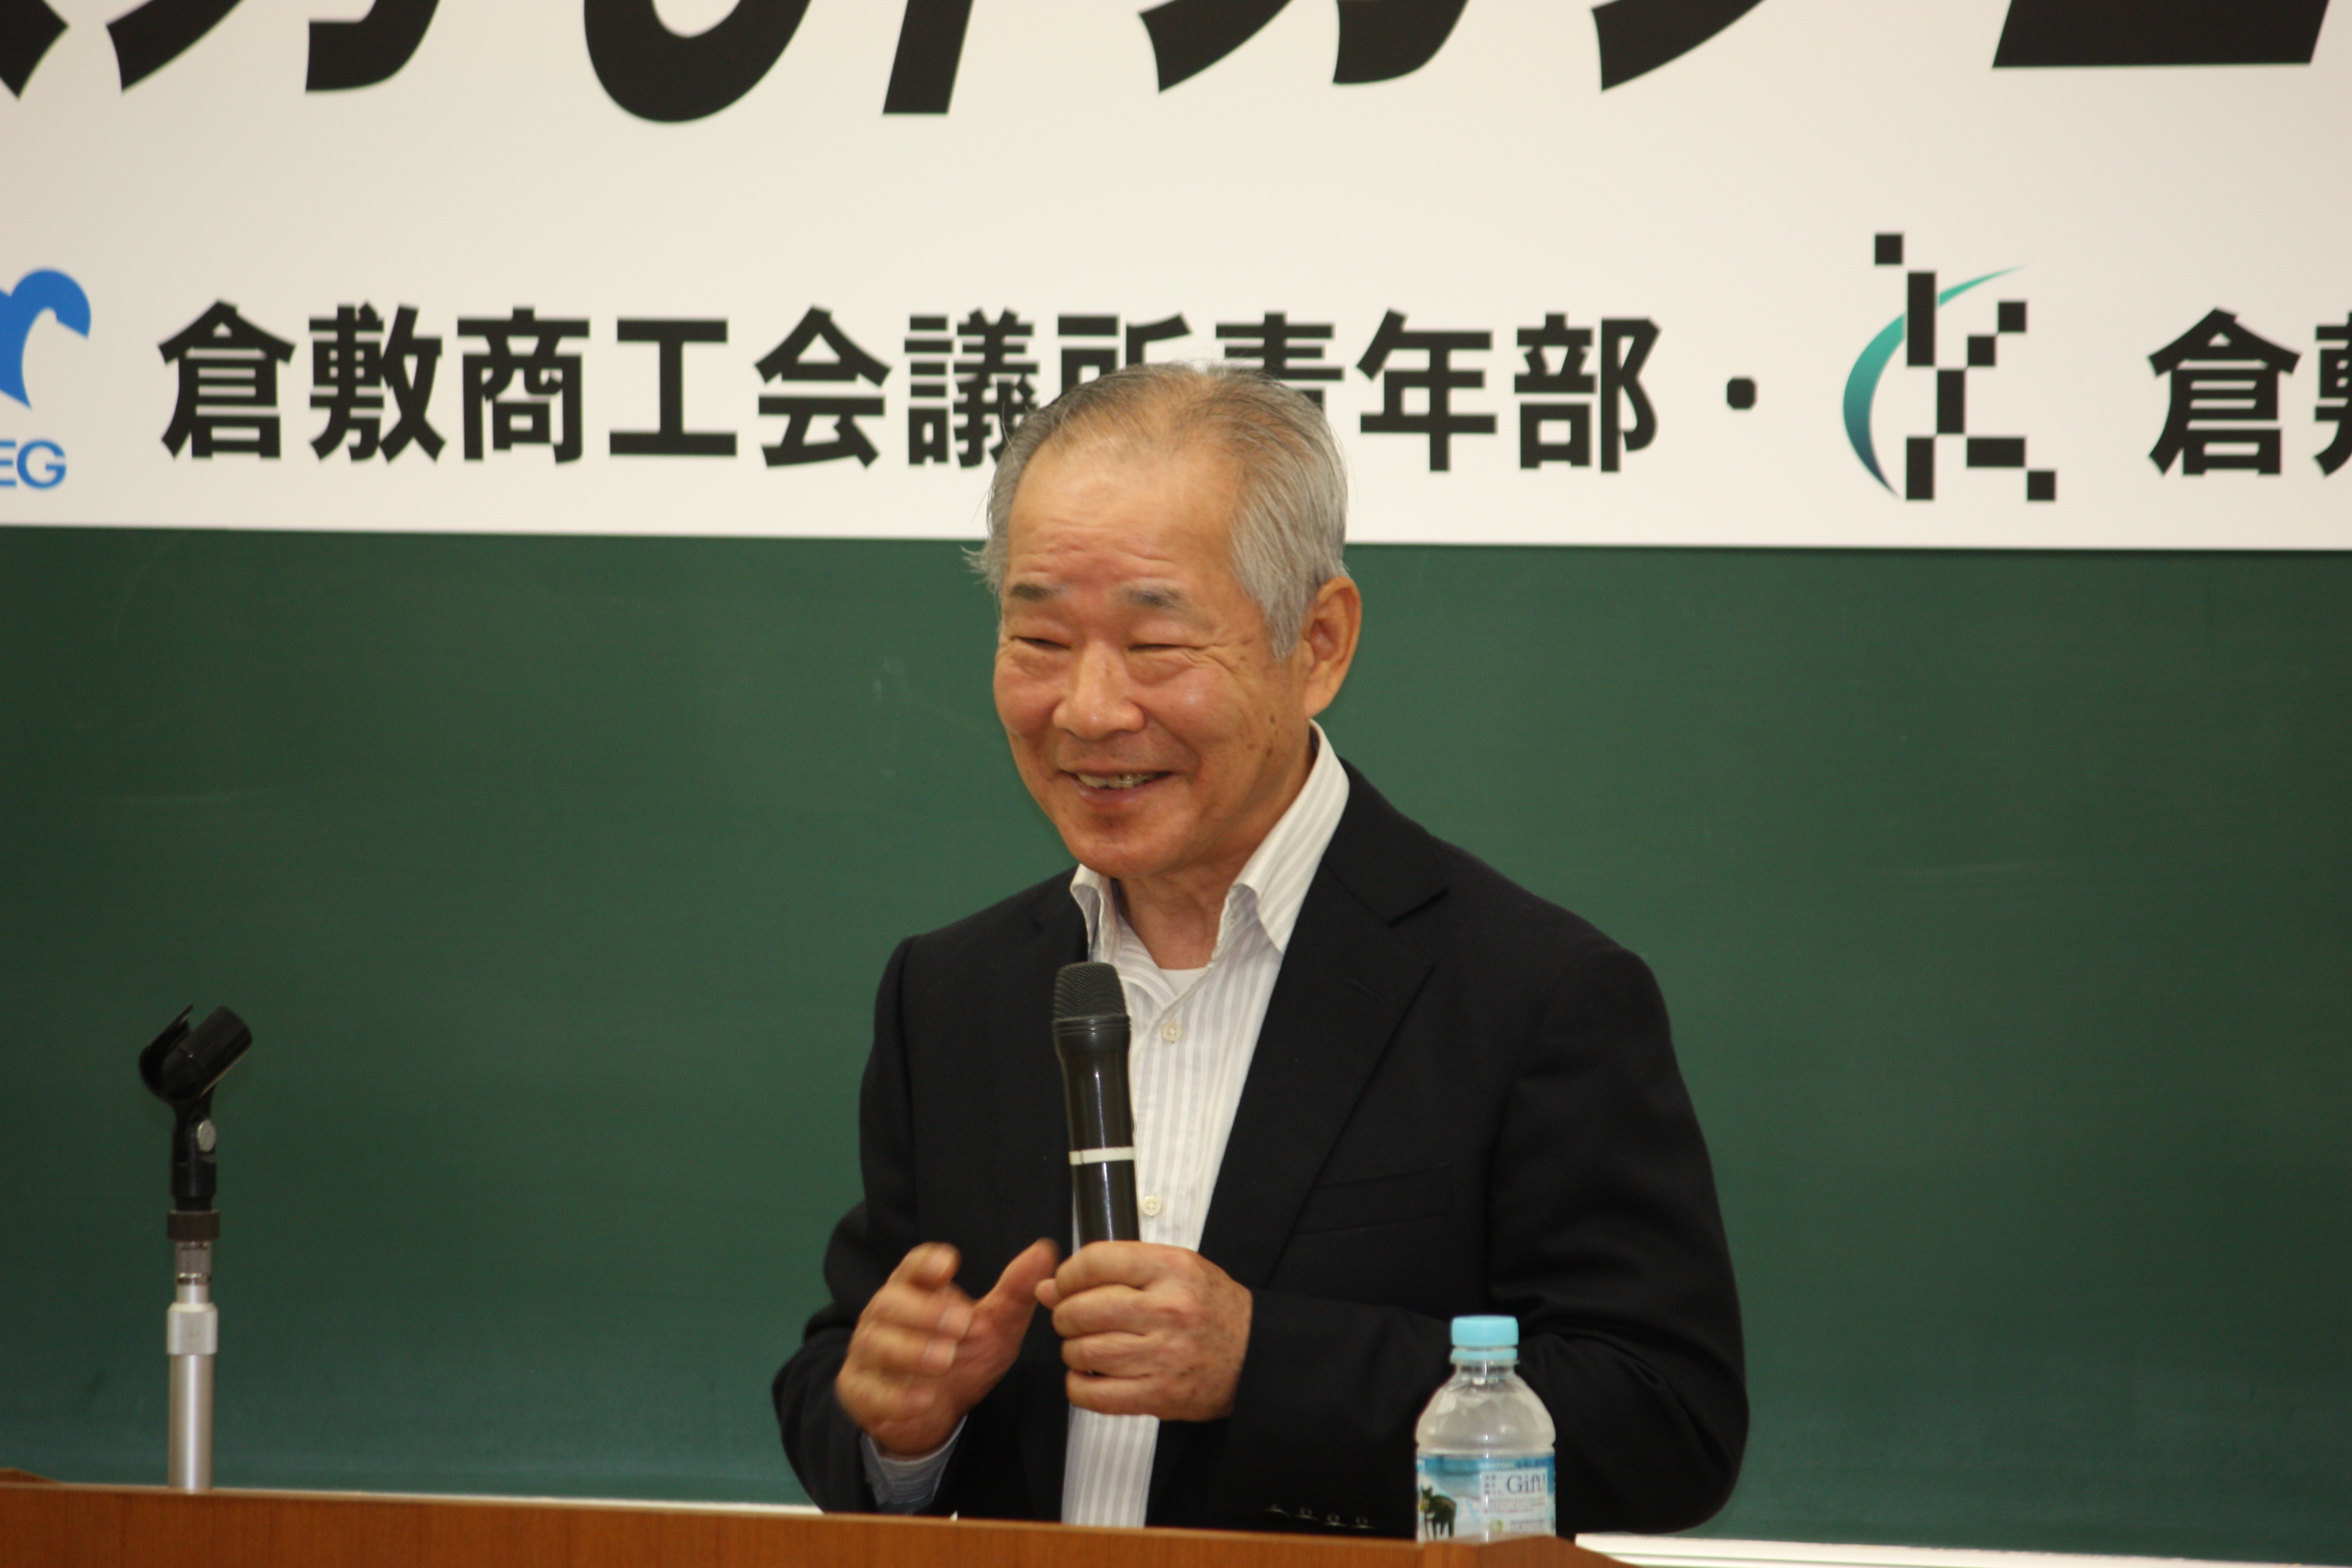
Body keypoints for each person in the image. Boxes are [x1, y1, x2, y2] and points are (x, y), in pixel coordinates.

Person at [772, 363, 1745, 1536]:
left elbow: (1667, 1420)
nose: (1088, 709)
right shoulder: (952, 991)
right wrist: (899, 1425)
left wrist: (1262, 1361)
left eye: (1155, 642)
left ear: (1319, 642)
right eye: (1039, 636)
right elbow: (844, 1369)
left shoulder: (1533, 995)